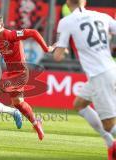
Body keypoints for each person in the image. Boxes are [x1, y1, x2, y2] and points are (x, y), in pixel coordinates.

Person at [0, 15, 52, 140]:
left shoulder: (11, 35)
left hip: (20, 73)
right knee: (18, 103)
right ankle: (36, 122)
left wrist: (45, 48)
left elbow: (33, 32)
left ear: (1, 25)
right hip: (11, 73)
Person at [53, 0, 116, 159]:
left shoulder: (66, 21)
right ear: (85, 1)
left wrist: (59, 48)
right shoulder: (102, 16)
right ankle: (110, 144)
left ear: (67, 3)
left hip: (99, 75)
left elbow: (58, 56)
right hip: (109, 68)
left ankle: (111, 142)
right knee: (80, 104)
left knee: (110, 125)